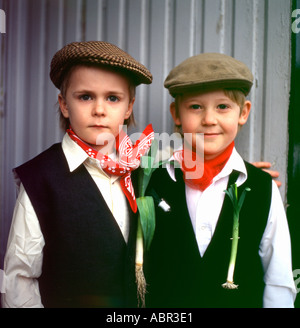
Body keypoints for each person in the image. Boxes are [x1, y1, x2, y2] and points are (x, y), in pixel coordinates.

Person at [1, 41, 153, 308]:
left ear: (128, 107)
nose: (99, 109)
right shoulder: (42, 179)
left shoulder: (142, 170)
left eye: (113, 98)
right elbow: (20, 278)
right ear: (64, 104)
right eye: (85, 96)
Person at [144, 53, 296, 308]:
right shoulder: (151, 182)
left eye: (223, 106)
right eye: (195, 107)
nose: (209, 120)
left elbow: (278, 280)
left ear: (243, 112)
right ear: (176, 114)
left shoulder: (261, 188)